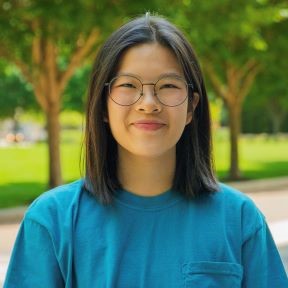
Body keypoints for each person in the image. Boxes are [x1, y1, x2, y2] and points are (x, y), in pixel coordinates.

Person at [4, 13, 288, 288]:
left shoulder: (239, 219)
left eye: (167, 85)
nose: (148, 103)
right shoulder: (52, 220)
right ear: (103, 105)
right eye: (129, 84)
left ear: (192, 106)